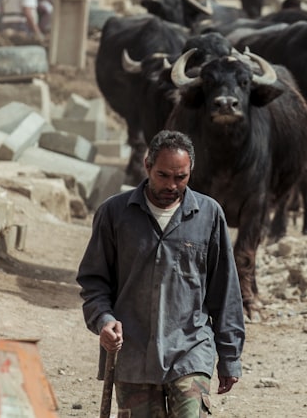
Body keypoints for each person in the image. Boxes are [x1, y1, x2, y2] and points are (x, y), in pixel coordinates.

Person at [77, 130, 244, 418]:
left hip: (190, 349)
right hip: (132, 353)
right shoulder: (114, 214)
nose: (172, 185)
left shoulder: (209, 215)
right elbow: (94, 283)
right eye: (163, 175)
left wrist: (229, 357)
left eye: (181, 177)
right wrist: (103, 320)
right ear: (147, 166)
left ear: (191, 171)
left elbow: (225, 291)